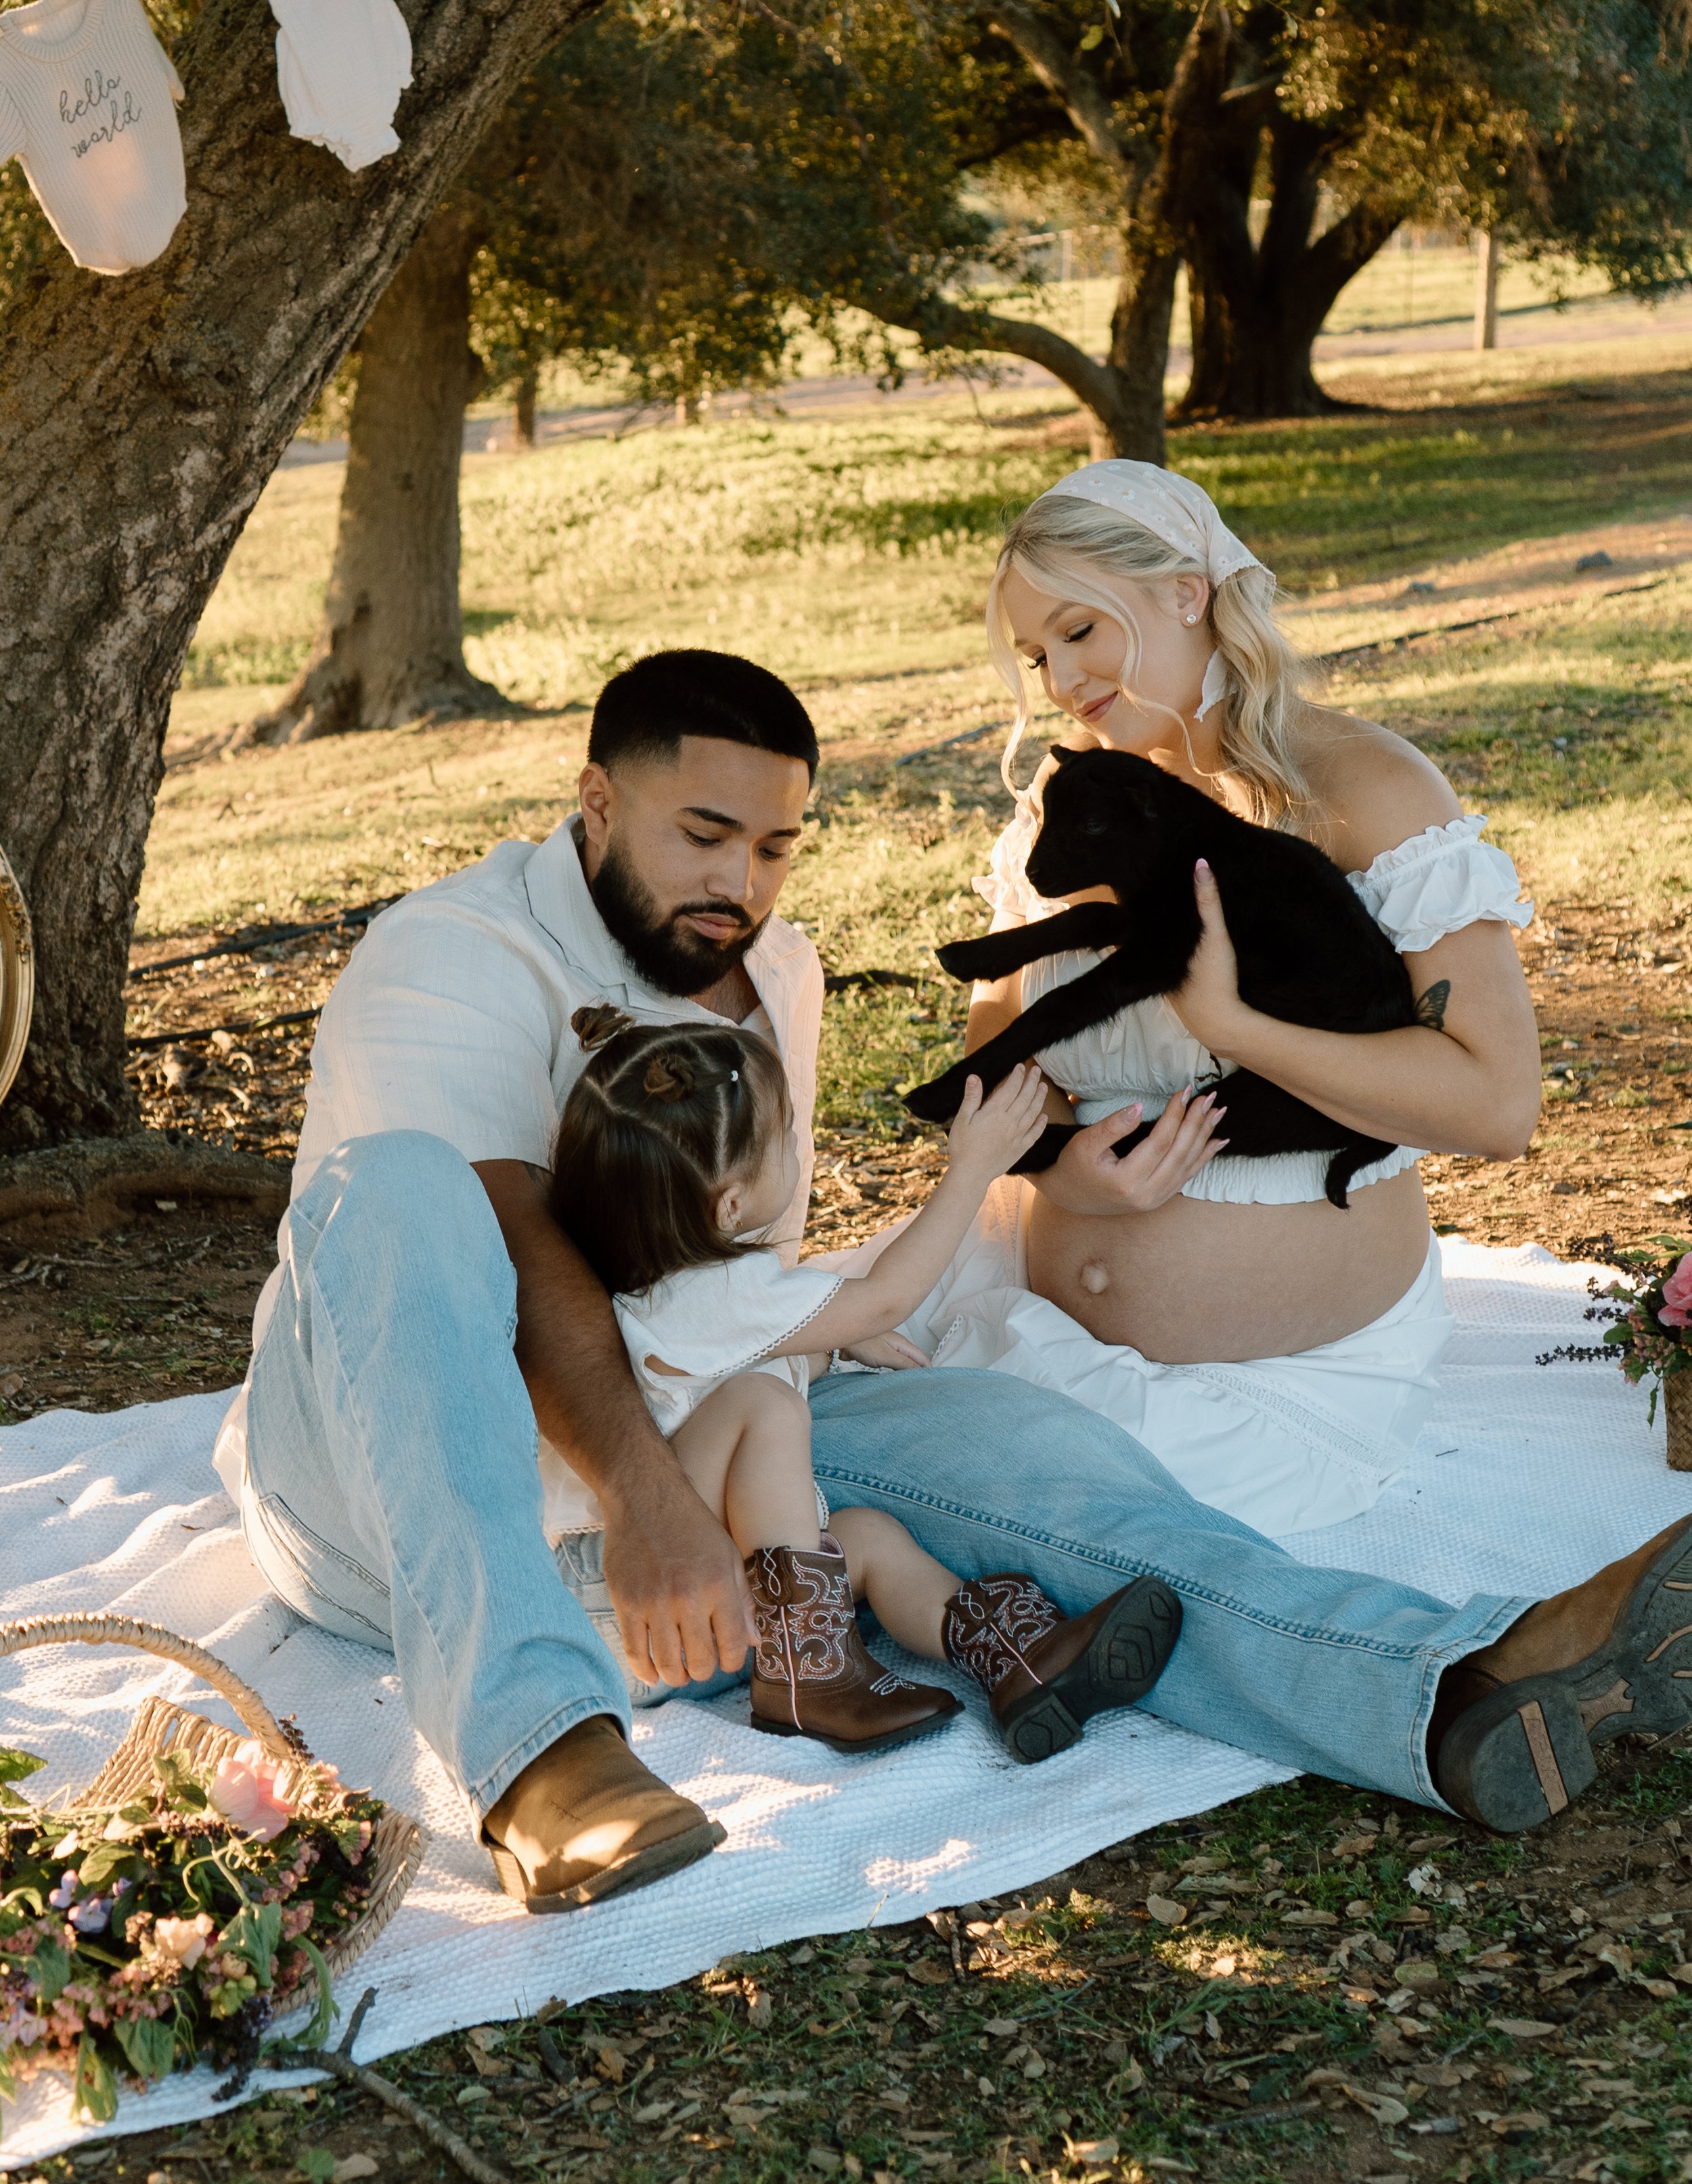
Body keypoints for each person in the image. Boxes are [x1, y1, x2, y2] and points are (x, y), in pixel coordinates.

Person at [217, 645, 1692, 1909]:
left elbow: (725, 1277)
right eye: (701, 835)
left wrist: (977, 1237)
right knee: (399, 1187)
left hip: (684, 1415)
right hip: (397, 1471)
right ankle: (545, 1759)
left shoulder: (765, 971)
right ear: (596, 802)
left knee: (1032, 1457)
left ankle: (1439, 1688)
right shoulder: (452, 954)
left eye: (777, 848)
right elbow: (514, 1246)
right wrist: (650, 1498)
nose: (740, 884)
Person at [931, 457, 1542, 1536]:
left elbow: (1496, 1105)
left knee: (988, 1518)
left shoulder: (1362, 791)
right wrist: (1061, 1167)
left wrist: (1234, 1027)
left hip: (1292, 1383)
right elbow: (1001, 1068)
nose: (1062, 679)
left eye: (1080, 630)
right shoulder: (1077, 805)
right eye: (1038, 653)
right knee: (791, 1434)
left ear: (1185, 590)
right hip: (1036, 1323)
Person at [545, 1004, 1175, 1775]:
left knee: (869, 1536)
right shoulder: (715, 1296)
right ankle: (810, 1676)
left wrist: (829, 1333)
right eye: (784, 1139)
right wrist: (972, 1169)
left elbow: (769, 1352)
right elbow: (884, 1298)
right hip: (634, 1602)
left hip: (699, 1614)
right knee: (763, 1406)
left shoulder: (665, 1287)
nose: (797, 1148)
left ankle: (1017, 1657)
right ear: (730, 1205)